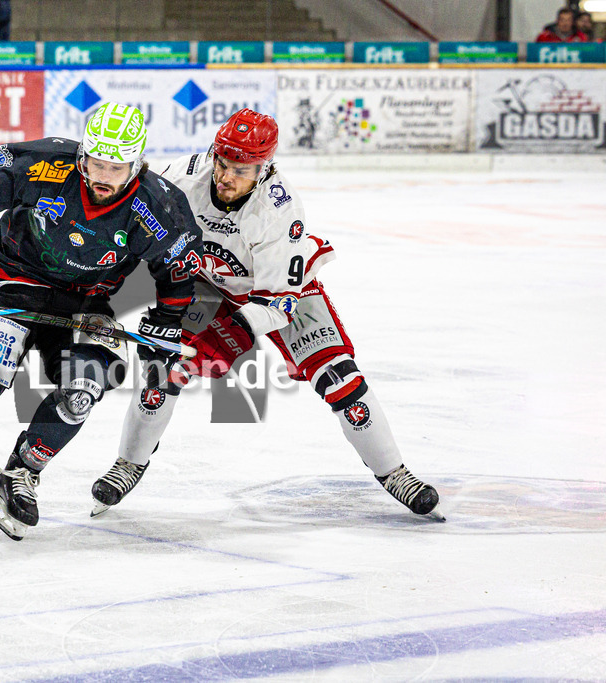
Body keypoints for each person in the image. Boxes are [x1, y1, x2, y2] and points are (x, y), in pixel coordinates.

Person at [89, 108, 444, 522]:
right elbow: (133, 226)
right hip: (207, 285)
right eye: (222, 162)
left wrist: (234, 331)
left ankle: (395, 473)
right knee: (161, 367)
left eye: (241, 170)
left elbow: (278, 303)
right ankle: (129, 464)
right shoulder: (182, 177)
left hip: (283, 294)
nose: (226, 178)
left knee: (340, 379)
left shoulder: (280, 210)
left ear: (264, 167)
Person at [0, 102, 204, 541]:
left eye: (117, 167)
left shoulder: (158, 204)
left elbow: (179, 267)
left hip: (87, 302)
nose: (103, 175)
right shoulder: (49, 164)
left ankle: (20, 474)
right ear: (83, 155)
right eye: (97, 162)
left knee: (84, 390)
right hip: (14, 280)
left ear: (137, 164)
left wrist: (168, 318)